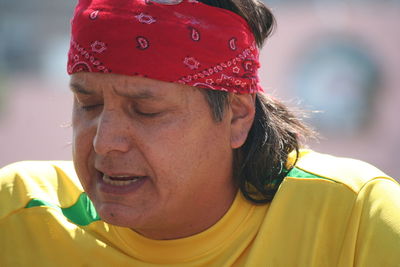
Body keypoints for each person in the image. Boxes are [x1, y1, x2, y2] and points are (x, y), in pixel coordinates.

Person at [1, 0, 399, 266]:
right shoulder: (18, 214)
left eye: (147, 111)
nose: (105, 141)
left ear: (237, 116)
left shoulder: (355, 219)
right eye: (88, 104)